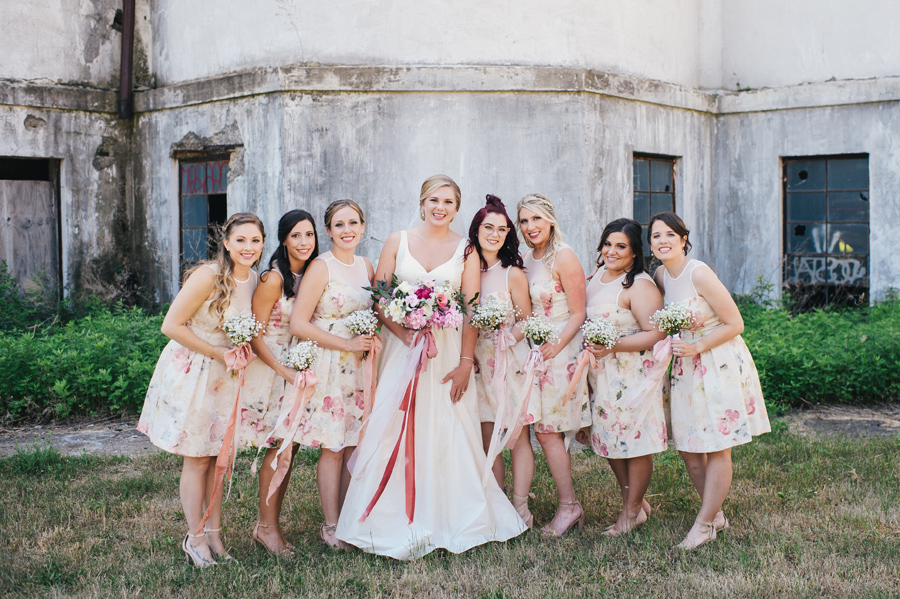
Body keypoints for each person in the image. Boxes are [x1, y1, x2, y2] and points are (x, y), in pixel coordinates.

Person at [336, 175, 526, 559]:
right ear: (422, 202)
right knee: (391, 426)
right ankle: (383, 520)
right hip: (401, 350)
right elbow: (380, 297)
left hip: (448, 351)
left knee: (448, 424)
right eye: (434, 200)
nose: (440, 208)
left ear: (457, 208)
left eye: (449, 202)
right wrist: (405, 334)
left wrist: (465, 362)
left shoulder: (466, 249)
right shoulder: (397, 241)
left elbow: (471, 308)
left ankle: (450, 514)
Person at [137, 212, 265, 568]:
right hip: (196, 370)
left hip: (228, 377)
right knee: (197, 458)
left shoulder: (254, 279)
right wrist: (219, 352)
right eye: (240, 240)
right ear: (226, 242)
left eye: (255, 241)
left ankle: (214, 535)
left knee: (218, 459)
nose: (248, 247)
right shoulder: (207, 276)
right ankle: (194, 539)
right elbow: (171, 325)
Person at [649, 211, 771, 550]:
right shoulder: (661, 274)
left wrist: (697, 345)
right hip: (685, 366)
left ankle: (703, 525)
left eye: (670, 235)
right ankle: (714, 513)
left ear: (684, 239)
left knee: (717, 445)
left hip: (716, 360)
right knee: (689, 447)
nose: (663, 241)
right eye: (656, 236)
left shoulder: (698, 273)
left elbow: (735, 322)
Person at [287, 200, 375, 549]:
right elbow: (298, 322)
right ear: (328, 231)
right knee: (333, 445)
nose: (347, 230)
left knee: (354, 443)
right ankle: (330, 524)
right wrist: (346, 343)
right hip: (330, 364)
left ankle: (349, 518)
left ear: (363, 226)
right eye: (339, 225)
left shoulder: (367, 265)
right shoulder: (321, 267)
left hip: (359, 368)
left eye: (353, 222)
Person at [582, 218, 667, 535]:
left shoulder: (639, 285)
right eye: (608, 244)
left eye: (621, 246)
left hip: (633, 377)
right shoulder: (596, 278)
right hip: (601, 376)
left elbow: (657, 334)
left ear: (634, 253)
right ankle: (636, 502)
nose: (612, 251)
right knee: (609, 443)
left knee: (636, 444)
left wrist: (612, 345)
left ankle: (630, 514)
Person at [244, 209, 319, 555]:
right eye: (296, 236)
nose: (303, 242)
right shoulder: (272, 279)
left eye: (309, 235)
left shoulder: (313, 273)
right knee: (278, 450)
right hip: (272, 369)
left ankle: (270, 523)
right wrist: (284, 371)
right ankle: (267, 528)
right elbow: (255, 336)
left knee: (291, 449)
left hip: (299, 367)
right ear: (284, 239)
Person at [517, 193, 590, 537]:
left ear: (550, 219)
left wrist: (555, 346)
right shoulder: (527, 259)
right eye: (524, 221)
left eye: (536, 219)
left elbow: (579, 312)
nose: (530, 227)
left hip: (561, 350)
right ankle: (635, 503)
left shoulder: (564, 255)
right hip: (536, 351)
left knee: (547, 431)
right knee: (542, 429)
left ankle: (568, 506)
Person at [466, 195, 537, 527]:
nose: (493, 234)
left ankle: (521, 504)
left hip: (509, 362)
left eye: (501, 229)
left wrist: (509, 335)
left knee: (516, 437)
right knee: (487, 435)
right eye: (487, 227)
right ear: (476, 229)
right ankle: (497, 500)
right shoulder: (466, 268)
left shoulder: (512, 273)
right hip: (478, 363)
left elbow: (526, 319)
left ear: (508, 234)